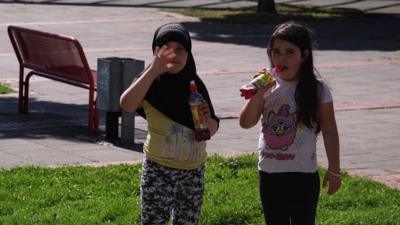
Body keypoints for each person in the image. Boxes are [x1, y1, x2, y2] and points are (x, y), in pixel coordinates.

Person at [239, 21, 341, 225]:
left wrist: (334, 169)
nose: (281, 58)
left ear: (304, 55)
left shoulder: (317, 89)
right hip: (270, 172)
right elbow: (246, 122)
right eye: (276, 52)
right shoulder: (267, 85)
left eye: (289, 52)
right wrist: (259, 93)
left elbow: (329, 129)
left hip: (303, 173)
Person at [120, 23, 219, 225]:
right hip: (158, 169)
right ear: (156, 52)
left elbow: (212, 127)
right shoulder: (149, 82)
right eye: (166, 48)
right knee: (153, 221)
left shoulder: (195, 85)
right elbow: (127, 104)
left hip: (193, 170)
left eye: (180, 49)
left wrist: (207, 120)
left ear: (189, 53)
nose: (173, 54)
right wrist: (152, 71)